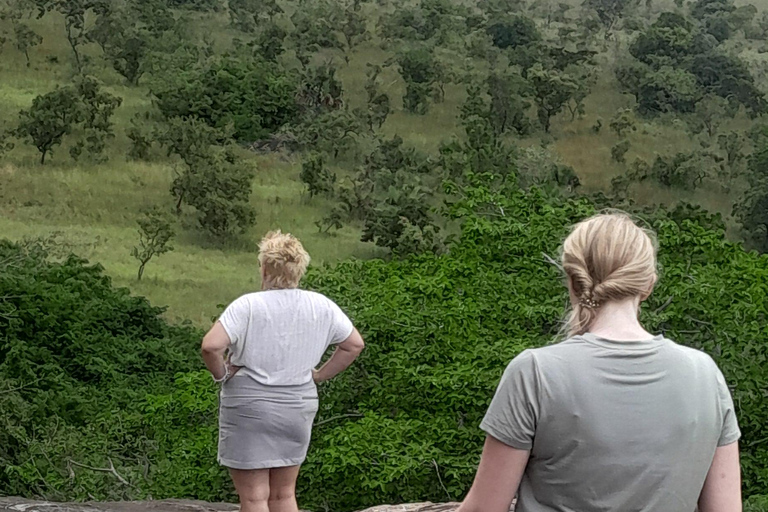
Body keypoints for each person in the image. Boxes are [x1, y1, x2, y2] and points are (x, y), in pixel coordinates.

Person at [458, 213, 742, 512]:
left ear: (572, 281)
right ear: (648, 285)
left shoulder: (535, 373)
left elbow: (483, 509)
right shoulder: (705, 374)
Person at [201, 230, 365, 512]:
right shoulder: (321, 306)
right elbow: (354, 344)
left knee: (254, 498)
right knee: (284, 495)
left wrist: (222, 374)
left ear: (264, 268)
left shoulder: (248, 306)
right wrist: (319, 375)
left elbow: (210, 346)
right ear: (299, 269)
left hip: (249, 405)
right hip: (298, 405)